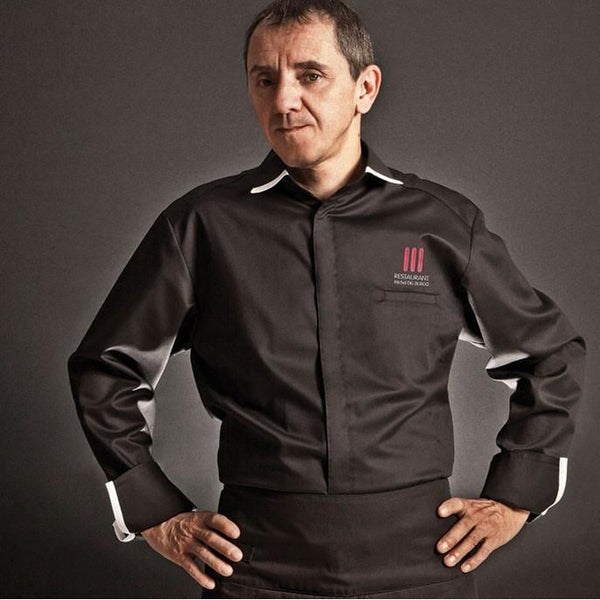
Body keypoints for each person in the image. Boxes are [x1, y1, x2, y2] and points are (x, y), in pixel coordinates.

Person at [67, 0, 587, 598]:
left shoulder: (443, 223)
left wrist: (516, 495)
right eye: (265, 79)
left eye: (310, 75)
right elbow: (106, 369)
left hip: (422, 564)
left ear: (365, 88)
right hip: (255, 565)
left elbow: (550, 355)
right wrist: (153, 510)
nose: (284, 101)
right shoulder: (200, 226)